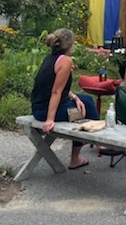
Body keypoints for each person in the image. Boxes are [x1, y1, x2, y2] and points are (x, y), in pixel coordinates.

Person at [31, 28, 99, 169]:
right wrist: (50, 119)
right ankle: (91, 150)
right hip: (46, 112)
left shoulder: (50, 59)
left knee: (84, 100)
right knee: (86, 110)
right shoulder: (66, 61)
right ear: (70, 45)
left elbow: (56, 86)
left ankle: (95, 146)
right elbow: (56, 92)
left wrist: (74, 97)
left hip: (38, 108)